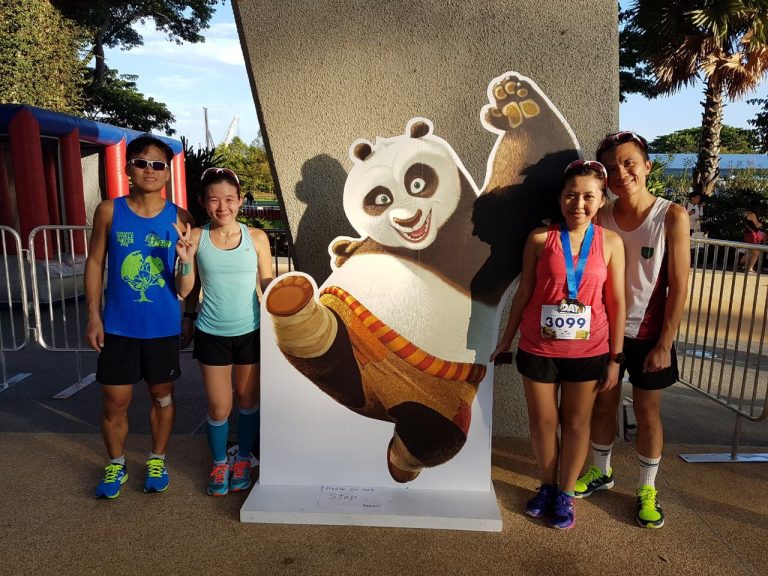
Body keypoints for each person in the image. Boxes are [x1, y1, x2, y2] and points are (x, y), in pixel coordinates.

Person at [491, 160, 626, 530]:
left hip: (589, 351)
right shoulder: (539, 239)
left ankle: (566, 494)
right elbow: (524, 293)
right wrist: (506, 340)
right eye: (571, 195)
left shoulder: (611, 243)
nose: (578, 204)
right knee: (542, 422)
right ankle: (547, 487)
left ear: (601, 200)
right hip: (539, 348)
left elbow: (616, 301)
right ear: (560, 197)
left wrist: (616, 358)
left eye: (588, 197)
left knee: (577, 423)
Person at [574, 131, 690, 529]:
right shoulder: (601, 214)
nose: (621, 173)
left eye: (629, 163)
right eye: (611, 168)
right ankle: (602, 471)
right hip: (606, 331)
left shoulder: (672, 216)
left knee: (647, 411)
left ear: (647, 166)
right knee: (603, 405)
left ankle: (647, 488)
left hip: (650, 335)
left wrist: (665, 343)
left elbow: (679, 286)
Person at [85, 135, 197, 499]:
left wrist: (188, 316)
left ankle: (157, 460)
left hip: (162, 327)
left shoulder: (181, 217)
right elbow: (95, 262)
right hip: (118, 327)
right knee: (114, 401)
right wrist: (93, 316)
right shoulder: (108, 211)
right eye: (142, 163)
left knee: (162, 395)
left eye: (158, 164)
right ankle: (115, 464)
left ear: (168, 173)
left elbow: (189, 272)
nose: (150, 170)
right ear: (128, 168)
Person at [174, 167, 274, 496]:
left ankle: (242, 459)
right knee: (219, 407)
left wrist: (288, 299)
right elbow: (184, 289)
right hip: (212, 332)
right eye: (214, 200)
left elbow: (267, 282)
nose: (222, 207)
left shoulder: (257, 237)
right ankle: (219, 462)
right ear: (203, 202)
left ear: (240, 200)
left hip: (251, 331)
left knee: (248, 401)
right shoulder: (196, 237)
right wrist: (185, 259)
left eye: (229, 199)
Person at [740, 207, 764, 273]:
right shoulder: (753, 214)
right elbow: (757, 225)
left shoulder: (748, 214)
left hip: (748, 234)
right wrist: (761, 224)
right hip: (751, 235)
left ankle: (746, 266)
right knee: (756, 252)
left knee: (750, 251)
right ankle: (750, 268)